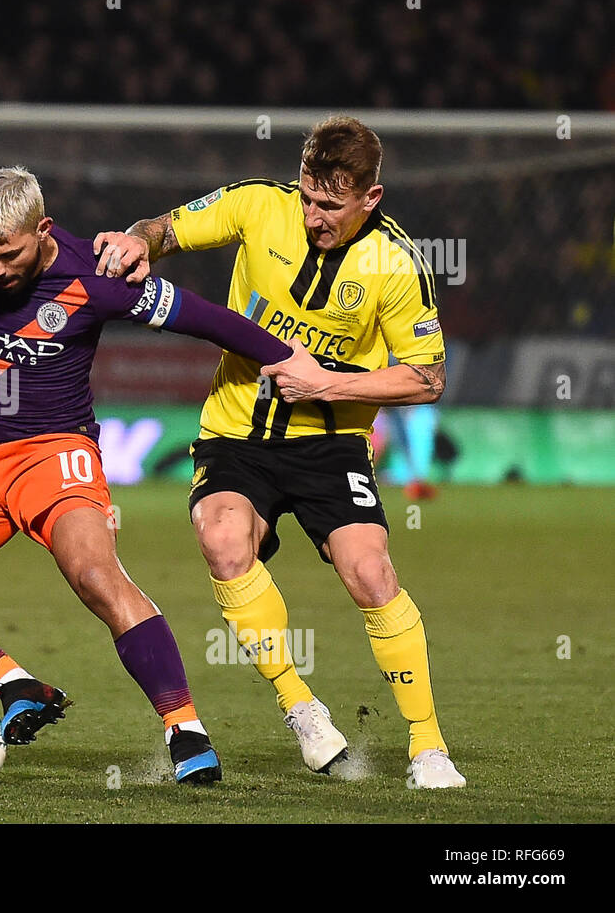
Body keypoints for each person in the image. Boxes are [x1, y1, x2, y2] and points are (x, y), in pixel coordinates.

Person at [0, 166, 320, 784]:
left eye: (8, 254)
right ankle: (17, 686)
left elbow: (205, 318)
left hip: (55, 452)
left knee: (94, 574)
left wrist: (285, 357)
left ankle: (185, 728)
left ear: (42, 230)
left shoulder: (97, 275)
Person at [93, 116, 465, 789]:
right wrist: (136, 240)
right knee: (222, 539)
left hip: (332, 447)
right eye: (308, 198)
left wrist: (328, 383)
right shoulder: (258, 204)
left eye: (332, 204)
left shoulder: (395, 263)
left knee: (371, 574)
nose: (315, 216)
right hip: (237, 438)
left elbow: (427, 376)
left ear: (369, 201)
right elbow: (167, 228)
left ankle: (428, 747)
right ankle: (300, 705)